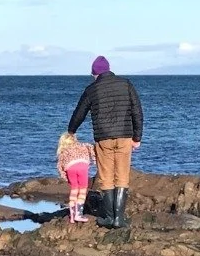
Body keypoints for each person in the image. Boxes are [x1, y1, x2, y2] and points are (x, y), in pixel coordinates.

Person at [67, 55, 143, 228]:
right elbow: (137, 111)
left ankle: (108, 217)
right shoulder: (126, 84)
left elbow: (79, 113)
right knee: (122, 176)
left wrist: (71, 131)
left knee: (106, 177)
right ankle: (119, 218)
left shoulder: (92, 89)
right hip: (124, 136)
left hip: (103, 139)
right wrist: (137, 137)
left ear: (95, 73)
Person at [56, 132, 95, 223]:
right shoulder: (83, 145)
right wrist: (94, 161)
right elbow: (92, 149)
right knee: (82, 190)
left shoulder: (63, 152)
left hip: (70, 168)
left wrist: (65, 177)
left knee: (74, 190)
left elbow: (59, 167)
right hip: (82, 166)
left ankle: (72, 215)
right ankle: (79, 214)